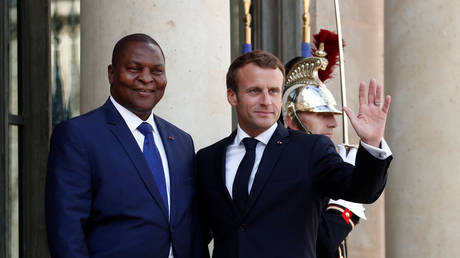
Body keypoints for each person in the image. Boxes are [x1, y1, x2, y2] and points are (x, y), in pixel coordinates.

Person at [196, 50, 392, 258]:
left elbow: (362, 190)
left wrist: (371, 143)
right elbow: (196, 234)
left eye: (273, 91)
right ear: (232, 96)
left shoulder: (311, 150)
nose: (266, 101)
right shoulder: (208, 159)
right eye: (254, 91)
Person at [46, 33, 207, 258]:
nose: (147, 78)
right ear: (112, 74)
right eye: (134, 69)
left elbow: (191, 223)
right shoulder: (78, 135)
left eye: (157, 71)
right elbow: (66, 230)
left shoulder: (181, 141)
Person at [283, 53, 369, 258]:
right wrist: (347, 204)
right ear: (293, 117)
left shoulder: (323, 162)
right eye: (321, 114)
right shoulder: (286, 164)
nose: (333, 123)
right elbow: (323, 241)